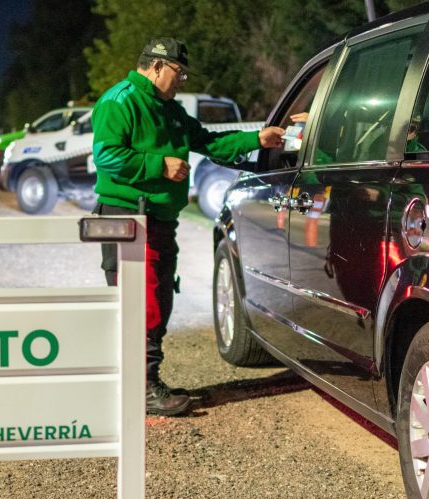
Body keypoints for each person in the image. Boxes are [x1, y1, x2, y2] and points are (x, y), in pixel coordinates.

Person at [91, 37, 285, 416]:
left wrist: (257, 138)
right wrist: (158, 165)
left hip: (160, 218)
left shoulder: (170, 111)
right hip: (128, 216)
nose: (182, 80)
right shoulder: (121, 100)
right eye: (179, 73)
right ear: (157, 66)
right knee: (140, 303)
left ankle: (146, 382)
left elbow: (209, 142)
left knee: (160, 299)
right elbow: (107, 155)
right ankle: (142, 388)